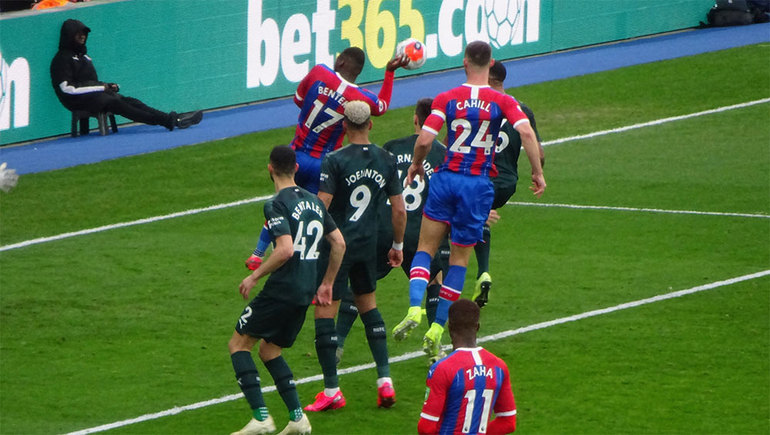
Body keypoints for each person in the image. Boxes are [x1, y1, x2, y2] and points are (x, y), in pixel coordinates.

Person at [394, 41, 546, 360]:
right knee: (459, 261)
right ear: (490, 65)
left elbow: (425, 139)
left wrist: (416, 164)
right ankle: (437, 328)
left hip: (447, 178)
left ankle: (413, 308)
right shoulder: (501, 100)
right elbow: (528, 134)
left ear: (465, 62)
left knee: (424, 249)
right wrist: (536, 172)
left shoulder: (447, 98)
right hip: (477, 186)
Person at [244, 48, 408, 270]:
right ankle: (304, 262)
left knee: (281, 202)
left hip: (296, 155)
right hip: (324, 163)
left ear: (340, 61)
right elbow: (382, 106)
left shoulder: (319, 72)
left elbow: (298, 99)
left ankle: (258, 253)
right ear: (359, 71)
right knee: (313, 212)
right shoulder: (360, 97)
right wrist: (389, 72)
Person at [228, 145, 345, 435]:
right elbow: (339, 243)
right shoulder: (315, 202)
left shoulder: (276, 204)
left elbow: (285, 250)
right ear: (295, 168)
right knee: (270, 350)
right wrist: (327, 282)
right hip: (306, 290)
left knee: (238, 345)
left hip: (282, 288)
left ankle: (261, 418)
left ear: (270, 169)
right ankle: (297, 419)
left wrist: (254, 276)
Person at [304, 100, 406, 411]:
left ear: (344, 126)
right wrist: (398, 246)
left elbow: (322, 204)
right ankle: (385, 381)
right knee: (369, 308)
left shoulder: (334, 160)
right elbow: (399, 209)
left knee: (325, 312)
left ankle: (332, 390)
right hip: (368, 245)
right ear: (370, 125)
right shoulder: (386, 159)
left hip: (338, 247)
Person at [334, 98, 449, 364]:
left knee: (361, 284)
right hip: (420, 233)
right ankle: (435, 349)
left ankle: (337, 343)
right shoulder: (443, 154)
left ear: (415, 119)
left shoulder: (391, 148)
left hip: (383, 226)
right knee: (434, 280)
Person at [471, 61, 545, 308]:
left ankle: (469, 276)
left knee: (451, 225)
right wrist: (538, 173)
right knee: (478, 217)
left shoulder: (478, 107)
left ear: (489, 78)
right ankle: (481, 272)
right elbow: (538, 150)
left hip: (479, 179)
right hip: (507, 184)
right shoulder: (521, 109)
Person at [50, 19, 202, 133]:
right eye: (78, 34)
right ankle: (168, 121)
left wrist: (107, 85)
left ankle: (172, 118)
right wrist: (101, 87)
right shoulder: (62, 59)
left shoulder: (84, 57)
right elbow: (67, 88)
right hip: (77, 101)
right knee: (119, 104)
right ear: (69, 36)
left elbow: (91, 82)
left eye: (84, 34)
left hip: (94, 96)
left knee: (131, 101)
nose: (82, 36)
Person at [417, 299, 517, 434]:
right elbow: (508, 422)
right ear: (478, 326)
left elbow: (426, 428)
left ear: (449, 327)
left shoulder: (443, 369)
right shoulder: (499, 367)